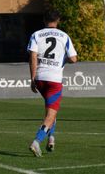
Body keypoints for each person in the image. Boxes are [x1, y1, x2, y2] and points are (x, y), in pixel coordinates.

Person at [27, 10, 77, 157]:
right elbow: (73, 58)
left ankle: (51, 138)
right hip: (54, 80)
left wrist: (32, 78)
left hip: (40, 78)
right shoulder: (64, 36)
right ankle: (37, 141)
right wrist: (62, 59)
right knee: (50, 114)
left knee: (50, 111)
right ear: (58, 20)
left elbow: (33, 57)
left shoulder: (36, 35)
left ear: (44, 20)